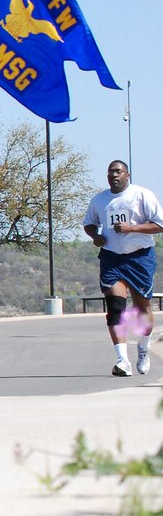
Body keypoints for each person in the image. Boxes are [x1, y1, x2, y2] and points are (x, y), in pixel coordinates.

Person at [82, 160, 163, 376]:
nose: (113, 176)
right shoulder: (100, 199)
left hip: (140, 258)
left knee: (142, 310)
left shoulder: (142, 195)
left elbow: (160, 224)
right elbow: (89, 223)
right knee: (116, 307)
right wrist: (96, 236)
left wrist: (132, 228)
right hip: (112, 258)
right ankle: (122, 360)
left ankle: (143, 349)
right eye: (110, 173)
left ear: (127, 174)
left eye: (117, 172)